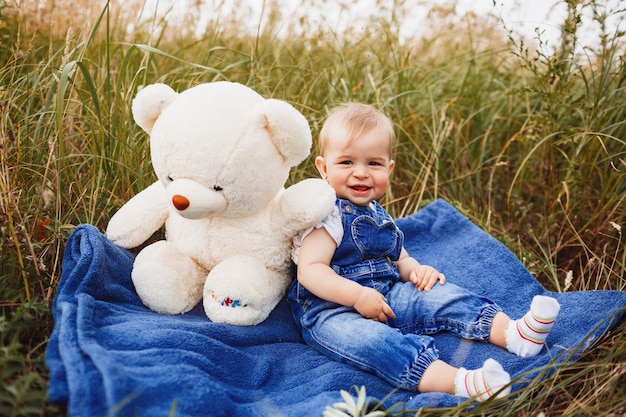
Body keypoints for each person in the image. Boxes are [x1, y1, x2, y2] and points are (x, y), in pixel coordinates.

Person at [288, 103, 560, 401]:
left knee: (439, 296)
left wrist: (415, 270)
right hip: (331, 311)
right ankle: (459, 382)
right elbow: (311, 269)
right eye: (347, 162)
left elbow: (398, 257)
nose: (361, 173)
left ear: (389, 168)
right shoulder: (328, 214)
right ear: (324, 168)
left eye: (374, 164)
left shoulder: (377, 213)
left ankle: (514, 333)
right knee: (376, 343)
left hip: (386, 292)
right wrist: (356, 296)